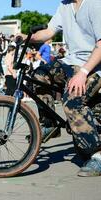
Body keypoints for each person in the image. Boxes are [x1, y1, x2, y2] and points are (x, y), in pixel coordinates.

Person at [22, 0, 101, 177]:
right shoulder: (64, 5)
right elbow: (49, 32)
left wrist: (83, 73)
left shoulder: (95, 4)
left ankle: (98, 155)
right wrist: (27, 37)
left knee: (72, 101)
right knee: (39, 74)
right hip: (72, 62)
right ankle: (50, 123)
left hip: (94, 66)